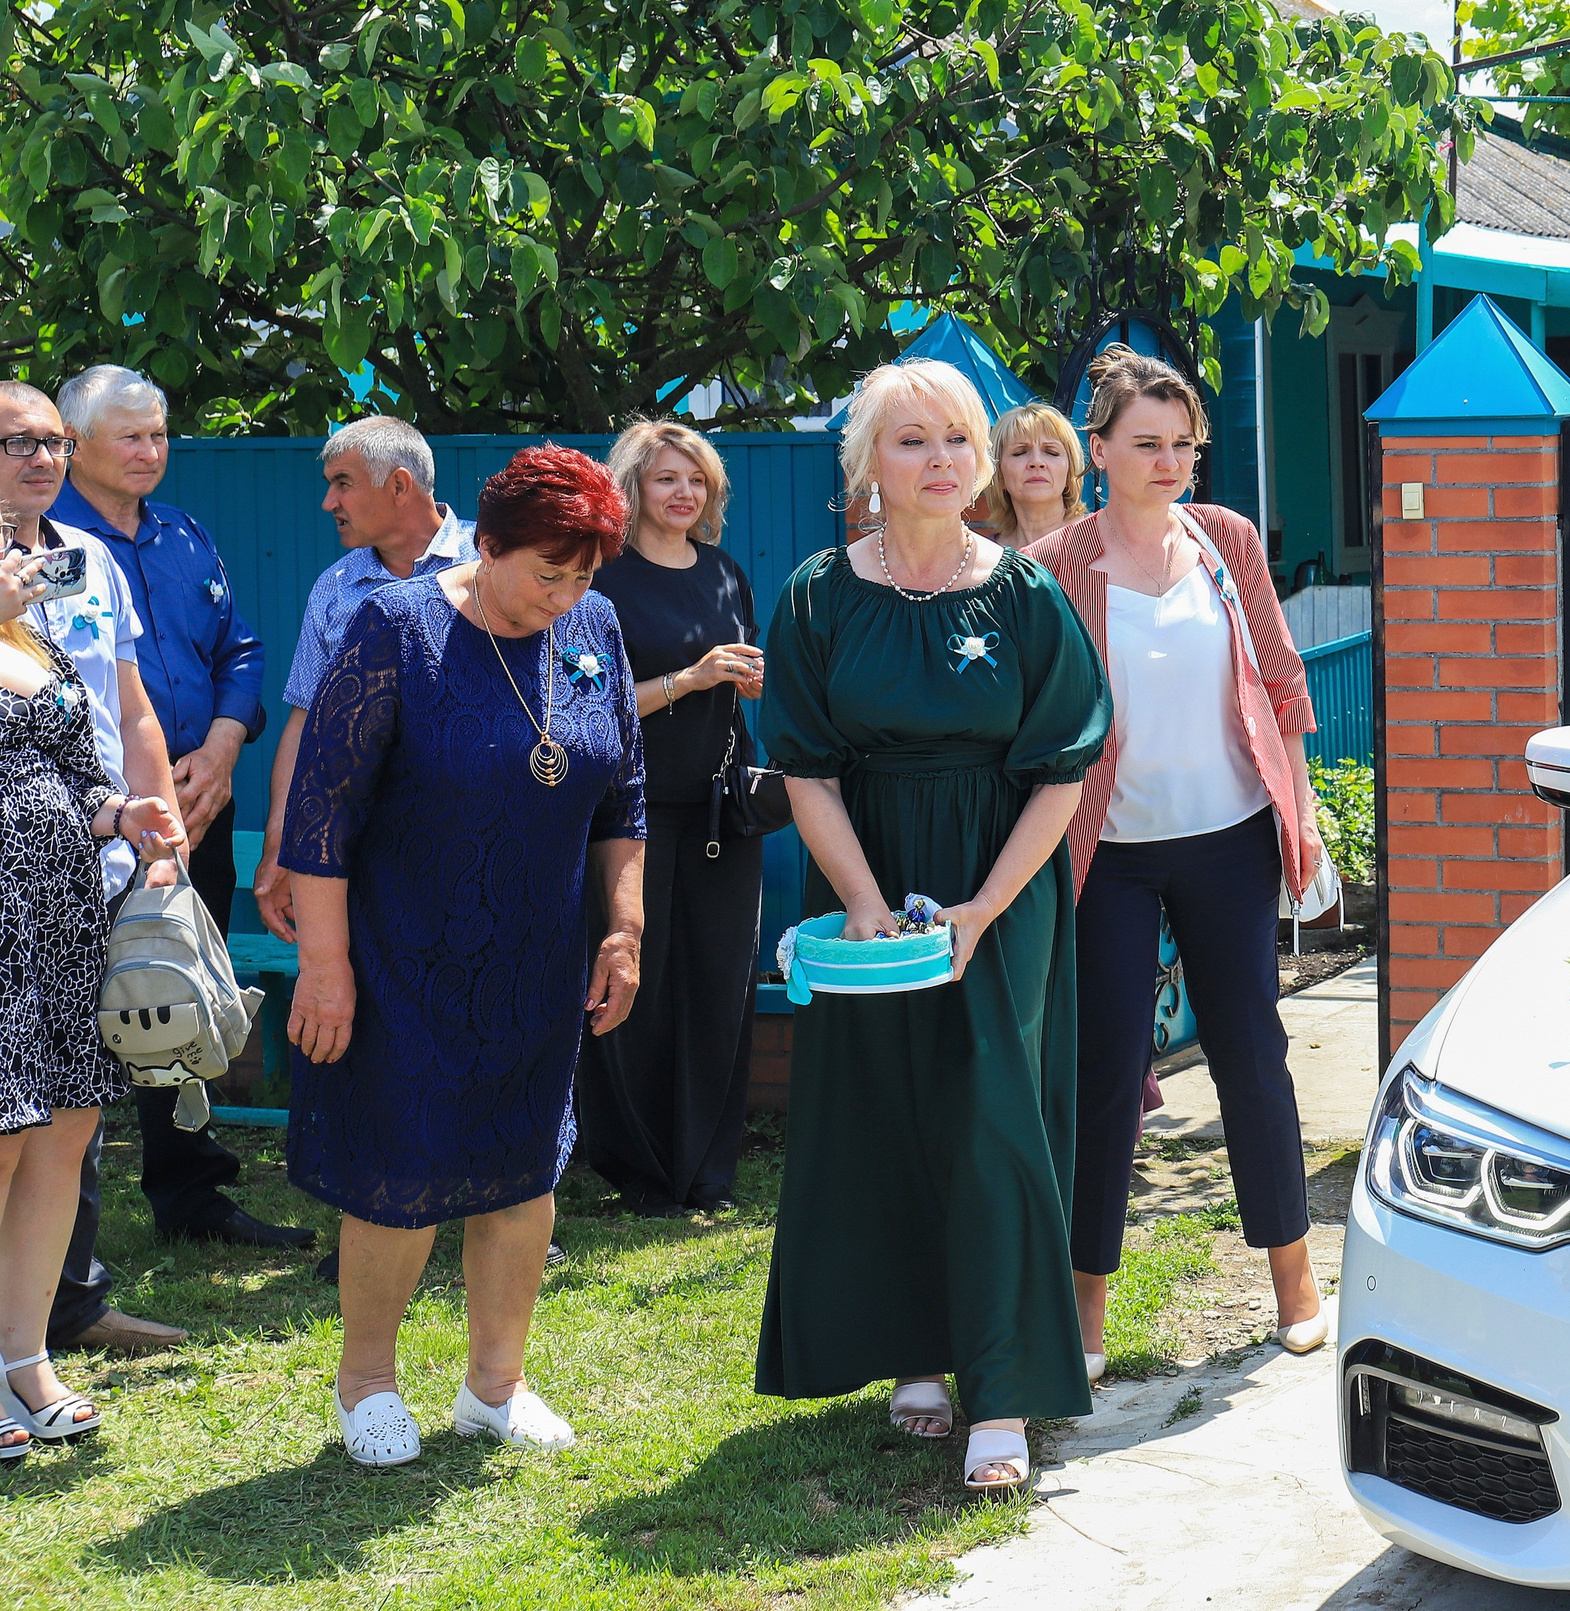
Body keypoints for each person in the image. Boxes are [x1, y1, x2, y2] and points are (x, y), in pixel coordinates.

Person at [756, 358, 1107, 1493]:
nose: (942, 460)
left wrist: (984, 909)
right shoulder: (816, 594)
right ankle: (914, 1351)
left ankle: (1000, 1390)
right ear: (868, 464)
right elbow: (803, 768)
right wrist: (862, 905)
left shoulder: (1023, 593)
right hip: (865, 880)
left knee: (992, 1119)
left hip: (997, 887)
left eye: (959, 439)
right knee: (889, 1107)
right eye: (912, 441)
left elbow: (1063, 769)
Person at [280, 444, 644, 1466]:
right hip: (403, 954)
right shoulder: (397, 627)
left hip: (538, 955)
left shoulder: (595, 628)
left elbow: (625, 799)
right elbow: (320, 815)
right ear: (485, 545)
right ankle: (367, 1386)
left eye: (582, 577)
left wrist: (624, 928)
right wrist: (326, 964)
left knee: (524, 1171)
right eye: (545, 573)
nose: (563, 597)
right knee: (402, 1166)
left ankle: (496, 1388)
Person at [1025, 347, 1333, 1377]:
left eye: (1183, 444)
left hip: (1230, 836)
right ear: (1099, 451)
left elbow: (1283, 683)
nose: (1169, 462)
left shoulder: (1226, 542)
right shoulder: (1058, 563)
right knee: (1107, 1072)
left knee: (1252, 1053)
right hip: (1106, 848)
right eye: (1146, 444)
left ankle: (1293, 1277)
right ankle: (1085, 1302)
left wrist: (1305, 813)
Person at [51, 366, 302, 1252]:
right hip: (80, 819)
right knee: (66, 1008)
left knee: (177, 995)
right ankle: (59, 1222)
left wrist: (226, 745)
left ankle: (191, 1192)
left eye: (159, 434)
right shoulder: (45, 550)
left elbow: (240, 649)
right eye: (132, 436)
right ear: (74, 445)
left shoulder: (185, 535)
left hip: (193, 807)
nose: (152, 451)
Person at [0, 382, 194, 1356]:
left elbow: (131, 706)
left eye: (53, 443)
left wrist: (156, 835)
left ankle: (55, 1323)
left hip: (91, 863)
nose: (41, 459)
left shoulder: (87, 568)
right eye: (17, 442)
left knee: (73, 1115)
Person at [583, 419, 764, 1218]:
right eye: (667, 479)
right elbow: (592, 704)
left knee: (719, 984)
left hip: (721, 808)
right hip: (632, 809)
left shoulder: (724, 571)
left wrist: (734, 683)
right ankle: (639, 1166)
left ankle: (706, 1169)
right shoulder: (604, 579)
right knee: (640, 987)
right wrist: (690, 679)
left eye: (697, 480)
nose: (684, 493)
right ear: (633, 488)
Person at [252, 417, 476, 945]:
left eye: (343, 483)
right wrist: (282, 843)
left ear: (399, 486)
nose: (329, 502)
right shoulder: (336, 589)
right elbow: (306, 721)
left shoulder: (490, 562)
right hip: (368, 851)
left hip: (478, 838)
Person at [986, 403, 1087, 551]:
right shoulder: (986, 557)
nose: (1036, 462)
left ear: (1070, 472)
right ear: (999, 474)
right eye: (1020, 452)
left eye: (1051, 452)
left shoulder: (1103, 539)